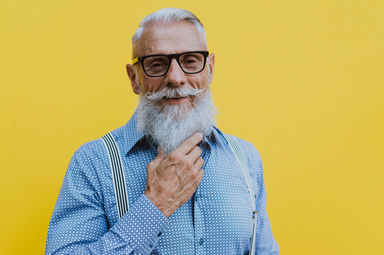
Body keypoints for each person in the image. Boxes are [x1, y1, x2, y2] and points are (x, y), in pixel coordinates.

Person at [46, 8, 279, 255]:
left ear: (209, 69)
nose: (175, 78)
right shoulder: (93, 163)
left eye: (190, 61)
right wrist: (156, 203)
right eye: (157, 64)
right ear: (134, 78)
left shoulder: (246, 159)